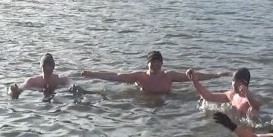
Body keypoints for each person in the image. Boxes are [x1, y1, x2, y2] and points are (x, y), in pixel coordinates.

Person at [81, 51, 229, 94]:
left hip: (167, 100)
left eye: (158, 62)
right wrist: (92, 74)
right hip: (145, 100)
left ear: (162, 64)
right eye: (152, 62)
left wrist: (217, 75)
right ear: (148, 63)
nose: (155, 65)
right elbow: (115, 76)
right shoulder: (139, 76)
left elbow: (194, 77)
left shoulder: (169, 75)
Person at [188, 67, 261, 117]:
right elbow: (209, 97)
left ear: (242, 82)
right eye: (233, 81)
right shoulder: (232, 95)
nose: (232, 84)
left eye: (235, 81)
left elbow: (256, 106)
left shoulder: (250, 98)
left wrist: (247, 94)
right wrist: (194, 81)